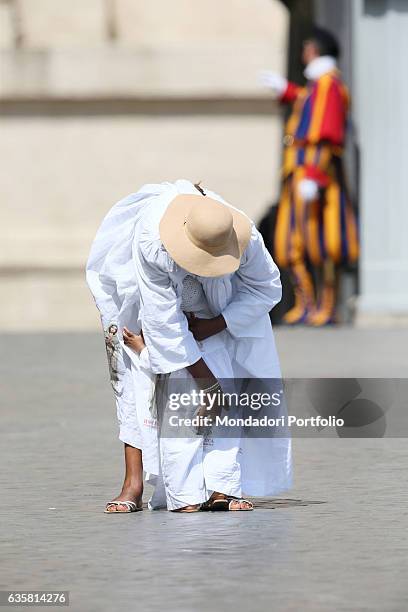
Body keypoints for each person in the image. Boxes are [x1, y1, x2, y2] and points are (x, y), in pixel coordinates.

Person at [86, 179, 292, 512]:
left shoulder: (244, 237)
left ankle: (221, 487)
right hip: (138, 293)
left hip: (214, 311)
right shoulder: (151, 242)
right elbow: (163, 325)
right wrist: (208, 386)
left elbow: (266, 288)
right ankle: (138, 482)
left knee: (230, 402)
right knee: (138, 379)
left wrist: (213, 326)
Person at [260, 26, 359, 326]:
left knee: (323, 243)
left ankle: (326, 306)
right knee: (291, 243)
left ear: (314, 50)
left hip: (315, 177)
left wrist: (314, 175)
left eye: (306, 47)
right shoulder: (318, 86)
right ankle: (306, 303)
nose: (303, 53)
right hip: (299, 174)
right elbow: (307, 103)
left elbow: (326, 133)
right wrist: (288, 91)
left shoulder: (329, 85)